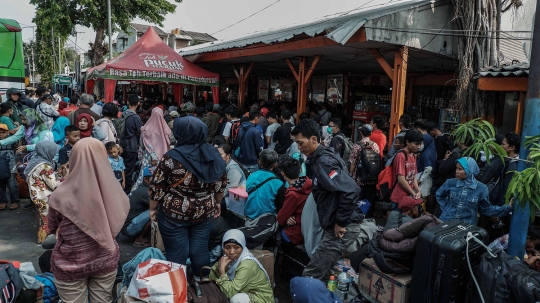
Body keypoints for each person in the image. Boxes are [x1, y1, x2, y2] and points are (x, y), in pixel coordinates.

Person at [47, 138, 129, 303]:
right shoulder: (115, 191)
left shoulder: (59, 195)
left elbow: (51, 227)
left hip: (70, 264)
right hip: (105, 260)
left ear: (74, 157)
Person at [149, 116, 227, 280]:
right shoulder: (213, 154)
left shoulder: (172, 157)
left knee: (177, 252)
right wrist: (218, 203)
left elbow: (157, 187)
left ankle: (178, 288)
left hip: (174, 213)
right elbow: (221, 183)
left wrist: (152, 208)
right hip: (204, 211)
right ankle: (203, 284)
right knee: (200, 248)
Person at [291, 119, 364, 280]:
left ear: (314, 139)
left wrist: (340, 222)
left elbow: (351, 190)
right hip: (335, 226)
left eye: (301, 143)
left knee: (311, 275)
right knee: (323, 273)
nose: (299, 147)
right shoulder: (320, 158)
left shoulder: (324, 161)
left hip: (340, 229)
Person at [436, 157, 513, 225]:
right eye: (456, 168)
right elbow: (439, 195)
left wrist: (507, 207)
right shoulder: (450, 183)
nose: (457, 171)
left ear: (469, 170)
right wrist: (447, 208)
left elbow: (487, 209)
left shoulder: (481, 188)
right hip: (446, 222)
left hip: (465, 227)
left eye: (460, 169)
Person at [209, 229, 274, 303]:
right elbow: (212, 277)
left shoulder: (247, 265)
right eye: (227, 247)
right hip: (244, 291)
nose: (231, 252)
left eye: (236, 247)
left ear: (242, 247)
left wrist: (222, 270)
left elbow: (229, 293)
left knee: (236, 299)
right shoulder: (228, 259)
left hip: (260, 298)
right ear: (223, 248)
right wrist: (218, 267)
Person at [24, 141, 61, 243]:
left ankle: (42, 238)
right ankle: (47, 239)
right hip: (45, 196)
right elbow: (53, 185)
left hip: (36, 194)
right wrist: (66, 180)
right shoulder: (44, 166)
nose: (54, 154)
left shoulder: (35, 160)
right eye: (53, 151)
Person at [130, 107, 170, 193]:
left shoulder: (145, 129)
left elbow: (141, 146)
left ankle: (138, 194)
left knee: (144, 175)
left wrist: (141, 158)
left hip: (148, 157)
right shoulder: (166, 129)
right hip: (163, 157)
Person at [277, 155, 312, 246]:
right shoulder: (309, 184)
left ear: (283, 173)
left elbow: (281, 219)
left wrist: (287, 218)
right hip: (309, 230)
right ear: (300, 171)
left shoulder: (293, 194)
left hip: (295, 234)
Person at [244, 149, 284, 220]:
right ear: (275, 164)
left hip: (249, 216)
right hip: (267, 220)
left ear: (259, 162)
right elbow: (280, 206)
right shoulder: (279, 183)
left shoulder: (251, 176)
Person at [389, 129, 423, 210]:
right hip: (398, 197)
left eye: (420, 144)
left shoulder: (413, 155)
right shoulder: (401, 155)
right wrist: (413, 193)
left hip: (408, 197)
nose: (418, 147)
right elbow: (401, 180)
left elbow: (413, 176)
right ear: (407, 142)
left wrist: (418, 191)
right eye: (416, 144)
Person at [121, 167, 152, 247]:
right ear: (145, 179)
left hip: (128, 225)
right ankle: (140, 238)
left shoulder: (143, 188)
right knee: (156, 211)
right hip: (129, 229)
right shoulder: (144, 192)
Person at [348, 124, 380, 202]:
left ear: (361, 133)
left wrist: (350, 175)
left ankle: (360, 214)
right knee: (369, 201)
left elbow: (353, 163)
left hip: (360, 179)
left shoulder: (356, 146)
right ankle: (368, 214)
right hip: (372, 178)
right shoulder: (375, 145)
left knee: (359, 201)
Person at [122, 95, 143, 193]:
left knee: (122, 168)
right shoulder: (136, 117)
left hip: (121, 146)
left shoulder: (122, 114)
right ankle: (127, 191)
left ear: (127, 102)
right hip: (132, 146)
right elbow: (141, 132)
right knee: (129, 171)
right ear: (138, 103)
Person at [0, 124, 21, 210]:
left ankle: (14, 201)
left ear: (7, 133)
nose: (1, 134)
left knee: (12, 185)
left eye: (3, 132)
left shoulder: (12, 141)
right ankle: (3, 201)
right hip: (0, 167)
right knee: (0, 186)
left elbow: (18, 151)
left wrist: (18, 162)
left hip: (11, 166)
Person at [415, 121, 437, 199]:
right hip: (427, 180)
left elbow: (428, 168)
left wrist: (419, 180)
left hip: (423, 182)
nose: (419, 146)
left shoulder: (426, 154)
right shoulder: (431, 151)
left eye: (421, 143)